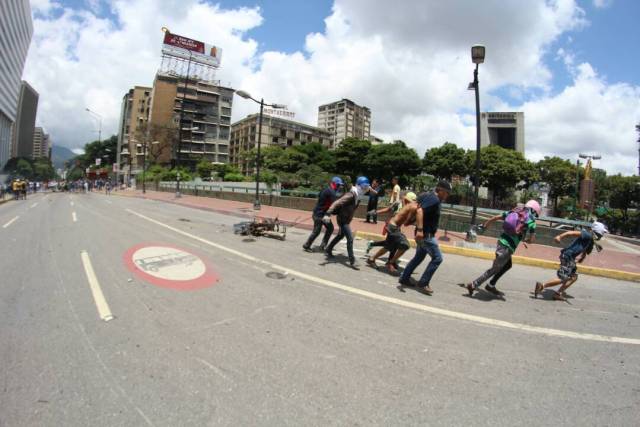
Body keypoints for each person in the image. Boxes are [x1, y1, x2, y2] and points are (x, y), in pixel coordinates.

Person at [465, 200, 541, 298]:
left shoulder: (515, 211)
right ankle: (473, 284)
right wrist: (526, 240)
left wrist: (485, 226)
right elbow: (532, 239)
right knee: (494, 269)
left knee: (508, 265)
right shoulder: (531, 221)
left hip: (501, 242)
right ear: (534, 211)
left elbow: (495, 217)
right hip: (507, 248)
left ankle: (491, 285)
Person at [398, 181, 452, 295]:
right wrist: (420, 230)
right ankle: (423, 283)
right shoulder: (434, 199)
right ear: (440, 190)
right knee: (437, 258)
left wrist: (409, 220)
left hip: (422, 233)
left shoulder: (426, 195)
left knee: (418, 257)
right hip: (426, 235)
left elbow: (415, 205)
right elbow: (419, 210)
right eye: (447, 193)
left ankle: (404, 278)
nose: (447, 195)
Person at [534, 221, 608, 301]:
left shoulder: (590, 238)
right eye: (602, 233)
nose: (602, 235)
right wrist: (559, 236)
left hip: (571, 257)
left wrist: (583, 256)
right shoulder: (588, 235)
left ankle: (557, 294)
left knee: (573, 277)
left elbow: (585, 248)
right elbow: (571, 233)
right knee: (564, 278)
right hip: (568, 256)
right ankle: (542, 286)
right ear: (598, 231)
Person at [324, 176, 370, 269]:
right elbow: (338, 202)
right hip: (342, 219)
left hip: (346, 219)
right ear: (359, 186)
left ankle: (328, 249)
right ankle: (352, 261)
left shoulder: (358, 194)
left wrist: (372, 189)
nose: (366, 189)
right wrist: (328, 213)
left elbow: (369, 188)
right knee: (350, 238)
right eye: (364, 187)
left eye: (366, 187)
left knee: (340, 235)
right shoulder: (351, 195)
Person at [366, 192, 418, 273]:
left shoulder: (409, 207)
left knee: (389, 245)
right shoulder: (398, 203)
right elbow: (388, 209)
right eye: (411, 201)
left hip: (396, 227)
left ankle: (374, 258)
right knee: (397, 245)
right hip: (391, 225)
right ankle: (390, 262)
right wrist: (376, 212)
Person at [303, 177, 343, 252]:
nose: (339, 187)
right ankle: (307, 245)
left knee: (330, 228)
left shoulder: (326, 189)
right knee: (317, 231)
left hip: (321, 214)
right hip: (319, 215)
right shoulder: (331, 192)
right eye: (338, 185)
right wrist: (339, 211)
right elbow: (334, 205)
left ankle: (323, 245)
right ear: (334, 184)